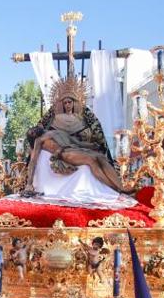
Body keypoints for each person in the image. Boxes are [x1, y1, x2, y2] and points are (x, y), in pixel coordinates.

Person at [24, 76, 133, 205]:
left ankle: (120, 186)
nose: (34, 129)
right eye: (31, 132)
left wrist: (92, 146)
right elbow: (32, 162)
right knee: (91, 161)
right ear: (32, 137)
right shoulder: (39, 141)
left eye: (33, 128)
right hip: (65, 154)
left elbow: (75, 142)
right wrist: (29, 183)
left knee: (100, 157)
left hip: (73, 149)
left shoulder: (54, 132)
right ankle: (114, 188)